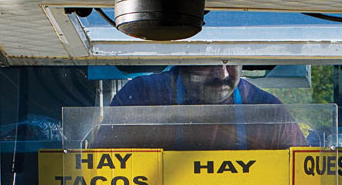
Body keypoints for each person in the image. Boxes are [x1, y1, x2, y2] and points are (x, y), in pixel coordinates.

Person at [91, 62, 306, 150]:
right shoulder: (142, 96)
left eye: (231, 60)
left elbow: (305, 183)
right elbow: (102, 175)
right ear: (185, 55)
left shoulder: (268, 110)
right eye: (209, 59)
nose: (222, 73)